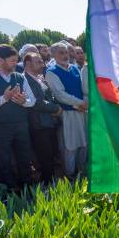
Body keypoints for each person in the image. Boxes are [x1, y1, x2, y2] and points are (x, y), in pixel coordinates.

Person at [0, 45, 36, 189]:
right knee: (4, 160)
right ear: (0, 60)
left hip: (21, 125)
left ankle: (27, 188)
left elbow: (32, 100)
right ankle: (9, 192)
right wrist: (4, 98)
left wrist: (24, 102)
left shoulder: (19, 77)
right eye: (12, 61)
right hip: (0, 127)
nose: (15, 63)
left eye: (16, 60)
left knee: (24, 157)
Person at [46, 42, 87, 178]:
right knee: (70, 145)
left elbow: (83, 88)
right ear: (53, 55)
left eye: (66, 52)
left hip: (82, 111)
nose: (65, 55)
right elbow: (60, 95)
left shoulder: (75, 68)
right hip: (68, 113)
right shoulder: (51, 72)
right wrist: (80, 103)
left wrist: (86, 102)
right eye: (61, 53)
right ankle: (70, 175)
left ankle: (82, 172)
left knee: (84, 142)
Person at [23, 52, 61, 184]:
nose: (43, 64)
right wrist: (55, 109)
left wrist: (55, 107)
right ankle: (48, 183)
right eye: (38, 62)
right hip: (38, 124)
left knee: (51, 153)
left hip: (49, 122)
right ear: (28, 64)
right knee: (44, 156)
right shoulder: (25, 80)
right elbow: (37, 102)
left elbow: (50, 96)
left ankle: (53, 181)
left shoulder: (40, 78)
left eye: (42, 61)